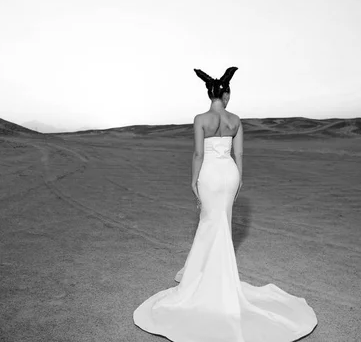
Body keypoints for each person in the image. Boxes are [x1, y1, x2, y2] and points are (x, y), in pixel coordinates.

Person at [133, 67, 318, 342]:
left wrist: (193, 180)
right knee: (222, 223)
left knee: (210, 221)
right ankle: (211, 273)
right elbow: (239, 152)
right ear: (226, 93)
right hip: (229, 173)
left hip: (209, 173)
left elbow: (198, 153)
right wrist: (239, 178)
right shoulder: (235, 119)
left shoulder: (201, 119)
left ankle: (205, 278)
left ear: (209, 93)